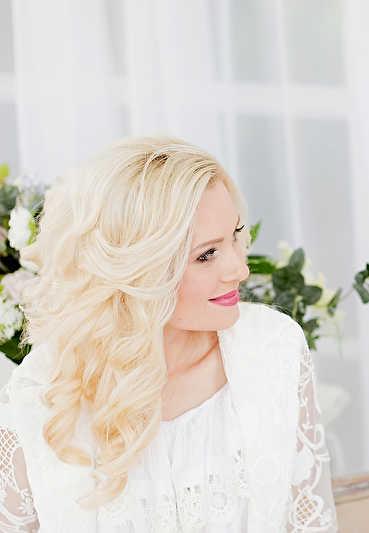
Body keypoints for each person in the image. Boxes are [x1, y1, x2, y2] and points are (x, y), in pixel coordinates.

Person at [0, 135, 338, 532]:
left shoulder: (273, 347)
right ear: (138, 271)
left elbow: (310, 522)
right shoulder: (43, 394)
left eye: (235, 235)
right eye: (206, 254)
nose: (241, 269)